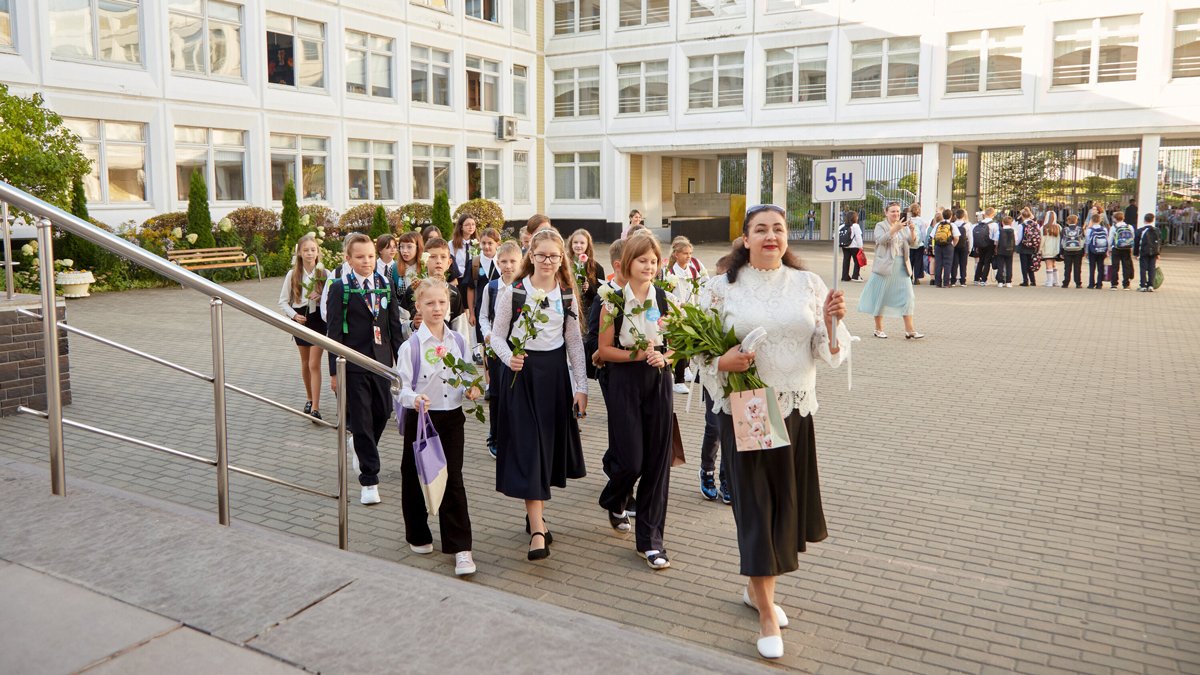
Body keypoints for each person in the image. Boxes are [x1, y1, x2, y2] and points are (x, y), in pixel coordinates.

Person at [697, 203, 851, 660]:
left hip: (795, 408)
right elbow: (693, 350)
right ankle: (766, 611)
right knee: (757, 507)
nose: (770, 236)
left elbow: (828, 351)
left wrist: (831, 322)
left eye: (778, 229)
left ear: (787, 238)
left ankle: (756, 589)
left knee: (783, 507)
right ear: (745, 239)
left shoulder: (810, 284)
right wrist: (721, 362)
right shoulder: (719, 288)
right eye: (760, 229)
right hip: (748, 407)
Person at [489, 229, 588, 561]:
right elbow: (496, 337)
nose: (548, 261)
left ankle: (537, 516)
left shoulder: (567, 295)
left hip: (554, 379)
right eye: (542, 255)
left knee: (544, 451)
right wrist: (509, 358)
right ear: (530, 255)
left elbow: (573, 343)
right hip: (522, 376)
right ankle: (536, 531)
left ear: (562, 260)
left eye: (555, 256)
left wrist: (581, 387)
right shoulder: (514, 292)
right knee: (529, 450)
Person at [596, 235, 678, 570]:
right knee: (630, 460)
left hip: (658, 381)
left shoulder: (664, 297)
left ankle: (650, 542)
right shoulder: (611, 299)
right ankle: (613, 498)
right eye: (642, 260)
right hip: (624, 382)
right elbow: (603, 350)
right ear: (627, 263)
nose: (649, 266)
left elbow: (679, 342)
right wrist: (638, 353)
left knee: (658, 465)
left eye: (654, 261)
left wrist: (666, 356)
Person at [395, 278, 482, 576]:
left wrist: (472, 388)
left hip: (451, 418)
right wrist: (414, 398)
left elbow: (469, 372)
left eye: (442, 302)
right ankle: (417, 533)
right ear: (418, 306)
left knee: (452, 479)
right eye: (430, 303)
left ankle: (461, 548)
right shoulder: (411, 346)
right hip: (421, 418)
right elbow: (401, 387)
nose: (437, 308)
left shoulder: (458, 341)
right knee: (414, 474)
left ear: (449, 304)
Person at [325, 233, 406, 505]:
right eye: (360, 257)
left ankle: (361, 444)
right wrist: (334, 372)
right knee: (360, 419)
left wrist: (402, 364)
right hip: (354, 364)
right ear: (348, 259)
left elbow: (393, 326)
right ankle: (369, 480)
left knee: (382, 413)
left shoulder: (383, 284)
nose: (367, 261)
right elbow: (333, 332)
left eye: (370, 256)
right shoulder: (340, 287)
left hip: (382, 364)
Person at [478, 241, 522, 459]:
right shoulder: (492, 288)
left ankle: (515, 436)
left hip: (517, 348)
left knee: (515, 392)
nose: (508, 266)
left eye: (513, 261)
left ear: (520, 262)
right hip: (495, 348)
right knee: (496, 393)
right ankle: (495, 436)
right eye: (503, 261)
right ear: (497, 261)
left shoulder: (524, 288)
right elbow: (483, 316)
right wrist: (487, 334)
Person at [278, 234, 328, 421]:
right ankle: (309, 397)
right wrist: (294, 315)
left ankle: (315, 406)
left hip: (318, 321)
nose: (309, 253)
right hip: (300, 320)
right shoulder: (293, 275)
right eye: (305, 250)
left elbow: (331, 299)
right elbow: (282, 301)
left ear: (317, 252)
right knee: (306, 363)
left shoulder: (324, 273)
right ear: (299, 253)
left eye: (312, 250)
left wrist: (321, 295)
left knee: (315, 364)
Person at [860, 203, 923, 338]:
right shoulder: (880, 226)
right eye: (893, 211)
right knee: (881, 297)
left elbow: (913, 243)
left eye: (898, 211)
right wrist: (894, 229)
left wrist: (911, 230)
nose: (896, 214)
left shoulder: (904, 226)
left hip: (902, 266)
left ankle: (910, 330)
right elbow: (880, 240)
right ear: (886, 212)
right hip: (885, 266)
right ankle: (878, 329)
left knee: (908, 297)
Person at [666, 236, 706, 393]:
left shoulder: (692, 270)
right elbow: (667, 293)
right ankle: (677, 379)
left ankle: (684, 372)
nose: (689, 256)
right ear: (676, 254)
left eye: (690, 253)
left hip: (690, 313)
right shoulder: (669, 272)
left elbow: (697, 290)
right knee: (676, 345)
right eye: (685, 253)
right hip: (676, 313)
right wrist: (678, 304)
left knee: (687, 344)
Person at [567, 229, 606, 378]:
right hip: (569, 308)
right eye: (575, 242)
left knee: (581, 342)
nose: (578, 245)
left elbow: (601, 293)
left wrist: (589, 288)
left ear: (588, 245)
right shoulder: (565, 264)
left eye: (582, 242)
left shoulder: (596, 267)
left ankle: (581, 373)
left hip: (587, 311)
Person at [466, 227, 501, 347]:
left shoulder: (503, 262)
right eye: (484, 243)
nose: (486, 247)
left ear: (497, 244)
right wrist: (471, 313)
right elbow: (470, 289)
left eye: (490, 243)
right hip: (481, 308)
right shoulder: (475, 263)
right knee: (485, 341)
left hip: (500, 307)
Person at [1107, 212, 1136, 290]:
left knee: (1115, 266)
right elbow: (1132, 237)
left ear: (1115, 219)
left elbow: (1110, 239)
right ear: (1123, 218)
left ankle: (1114, 284)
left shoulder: (1114, 227)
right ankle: (1126, 284)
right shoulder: (1129, 226)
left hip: (1116, 248)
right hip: (1127, 248)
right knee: (1126, 266)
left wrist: (1109, 249)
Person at [448, 214, 479, 285]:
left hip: (472, 281)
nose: (471, 227)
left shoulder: (477, 244)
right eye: (467, 224)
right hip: (458, 280)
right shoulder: (452, 244)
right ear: (461, 227)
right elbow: (451, 264)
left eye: (473, 224)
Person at [931, 208, 957, 288]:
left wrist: (933, 247)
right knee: (947, 264)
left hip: (938, 246)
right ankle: (946, 283)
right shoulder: (952, 225)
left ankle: (938, 283)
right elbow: (956, 237)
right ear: (951, 216)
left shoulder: (938, 225)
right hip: (948, 246)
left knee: (938, 264)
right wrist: (953, 245)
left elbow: (932, 236)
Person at [1135, 213, 1160, 292]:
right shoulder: (1156, 230)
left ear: (1144, 220)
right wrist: (1158, 253)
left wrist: (1136, 253)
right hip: (1154, 252)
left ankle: (1143, 285)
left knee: (1143, 268)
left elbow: (1136, 243)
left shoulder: (1140, 230)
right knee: (1152, 268)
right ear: (1153, 220)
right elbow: (1159, 242)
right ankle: (1150, 285)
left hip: (1143, 252)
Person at [972, 208, 997, 286]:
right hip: (990, 244)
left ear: (985, 214)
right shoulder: (994, 224)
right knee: (987, 262)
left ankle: (976, 279)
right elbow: (995, 236)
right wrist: (996, 247)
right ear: (993, 215)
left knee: (980, 261)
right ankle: (983, 279)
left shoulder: (979, 223)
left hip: (980, 244)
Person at [1017, 207, 1041, 287]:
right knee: (1031, 263)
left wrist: (1017, 245)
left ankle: (1025, 281)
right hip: (1033, 247)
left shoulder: (1021, 225)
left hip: (1023, 247)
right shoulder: (1036, 224)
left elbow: (1019, 238)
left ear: (1022, 216)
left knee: (1024, 264)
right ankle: (1033, 281)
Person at [1060, 215, 1086, 289]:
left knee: (1067, 267)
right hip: (1078, 251)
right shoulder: (1080, 229)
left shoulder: (1064, 229)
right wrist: (1083, 251)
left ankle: (1066, 282)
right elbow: (1083, 240)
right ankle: (1078, 283)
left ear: (1068, 221)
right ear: (1076, 221)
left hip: (1067, 251)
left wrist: (1061, 252)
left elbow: (1062, 241)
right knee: (1077, 267)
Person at [1085, 214, 1109, 290]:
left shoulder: (1089, 230)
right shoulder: (1104, 229)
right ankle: (1099, 284)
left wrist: (1086, 251)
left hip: (1092, 250)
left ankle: (1091, 284)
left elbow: (1087, 241)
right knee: (1100, 267)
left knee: (1092, 267)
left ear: (1091, 220)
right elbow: (1106, 239)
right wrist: (1107, 250)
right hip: (1102, 250)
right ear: (1100, 220)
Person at [907, 204, 928, 285]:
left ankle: (909, 277)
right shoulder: (921, 221)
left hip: (909, 243)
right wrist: (924, 243)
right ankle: (917, 278)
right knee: (918, 261)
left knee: (910, 260)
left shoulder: (908, 220)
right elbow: (923, 233)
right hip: (919, 244)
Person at [838, 212, 863, 282]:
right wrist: (861, 246)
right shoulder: (856, 226)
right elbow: (858, 237)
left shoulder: (842, 226)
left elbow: (836, 235)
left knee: (846, 260)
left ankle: (844, 276)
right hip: (854, 246)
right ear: (854, 218)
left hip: (845, 246)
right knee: (857, 261)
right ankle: (855, 276)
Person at [994, 216, 1017, 288]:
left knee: (1000, 266)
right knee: (1009, 266)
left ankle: (1000, 282)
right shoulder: (1014, 231)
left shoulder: (999, 231)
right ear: (1011, 223)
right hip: (1010, 250)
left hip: (1001, 250)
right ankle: (1008, 282)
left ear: (1002, 222)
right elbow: (1016, 241)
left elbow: (995, 241)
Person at [1040, 213, 1062, 288]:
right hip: (1056, 249)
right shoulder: (1058, 227)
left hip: (1047, 249)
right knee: (1053, 265)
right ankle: (1056, 281)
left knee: (1048, 265)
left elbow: (1042, 240)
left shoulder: (1044, 227)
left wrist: (1039, 249)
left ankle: (1049, 281)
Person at [951, 208, 971, 286]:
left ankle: (953, 280)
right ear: (964, 216)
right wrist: (970, 248)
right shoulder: (967, 225)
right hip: (964, 245)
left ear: (955, 216)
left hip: (955, 245)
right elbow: (970, 237)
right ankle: (963, 281)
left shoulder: (953, 224)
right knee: (963, 264)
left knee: (954, 263)